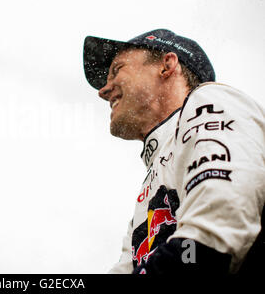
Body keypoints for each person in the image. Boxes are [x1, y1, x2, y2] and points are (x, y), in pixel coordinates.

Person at [82, 29, 265, 274]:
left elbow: (214, 235)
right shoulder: (150, 184)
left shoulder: (209, 100)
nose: (103, 91)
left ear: (167, 66)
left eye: (117, 70)